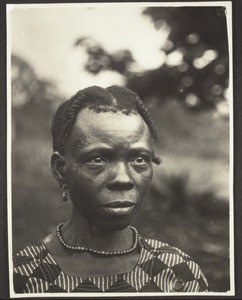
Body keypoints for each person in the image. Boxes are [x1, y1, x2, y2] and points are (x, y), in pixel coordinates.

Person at [13, 86, 209, 293]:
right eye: (98, 160)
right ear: (61, 170)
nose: (123, 179)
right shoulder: (22, 277)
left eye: (139, 159)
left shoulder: (178, 273)